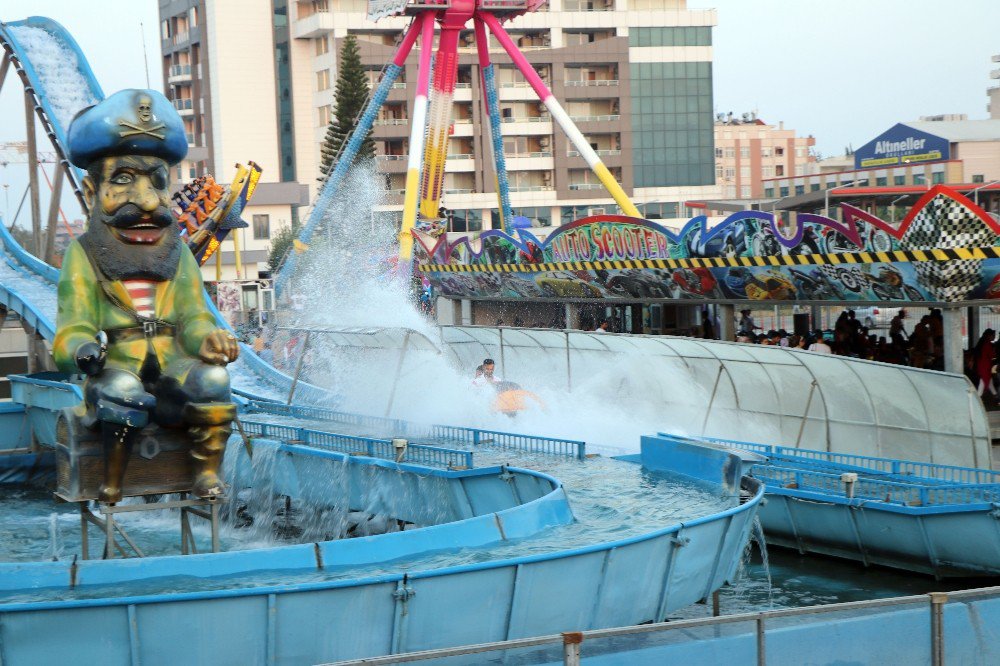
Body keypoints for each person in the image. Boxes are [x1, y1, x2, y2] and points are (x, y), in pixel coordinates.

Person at [54, 89, 239, 503]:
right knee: (120, 389)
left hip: (173, 370)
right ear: (91, 192)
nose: (149, 201)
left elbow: (193, 317)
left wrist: (207, 337)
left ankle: (206, 475)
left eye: (157, 181)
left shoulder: (177, 255)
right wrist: (83, 349)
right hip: (120, 363)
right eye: (123, 180)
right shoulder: (84, 256)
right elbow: (72, 329)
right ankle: (112, 480)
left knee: (213, 378)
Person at [972, 329, 997, 399]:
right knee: (984, 380)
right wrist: (994, 350)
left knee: (988, 380)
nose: (994, 337)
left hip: (982, 365)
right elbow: (992, 355)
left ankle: (995, 395)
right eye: (993, 335)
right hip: (985, 366)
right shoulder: (987, 344)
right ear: (989, 336)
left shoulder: (982, 343)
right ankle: (978, 397)